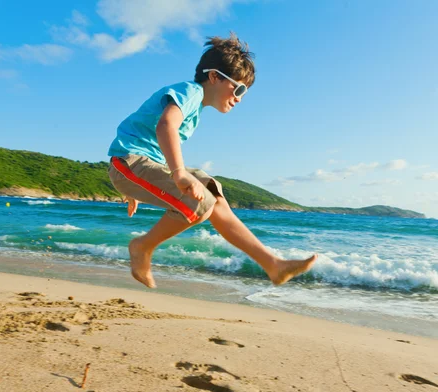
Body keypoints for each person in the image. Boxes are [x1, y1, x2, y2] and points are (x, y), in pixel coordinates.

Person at [108, 33, 317, 288]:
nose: (240, 97)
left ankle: (273, 264)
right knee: (199, 203)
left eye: (245, 92)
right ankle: (142, 246)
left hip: (142, 167)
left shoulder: (195, 107)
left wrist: (140, 188)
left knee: (214, 196)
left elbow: (155, 138)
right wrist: (179, 173)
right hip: (129, 162)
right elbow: (165, 127)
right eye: (238, 88)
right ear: (214, 76)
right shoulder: (191, 91)